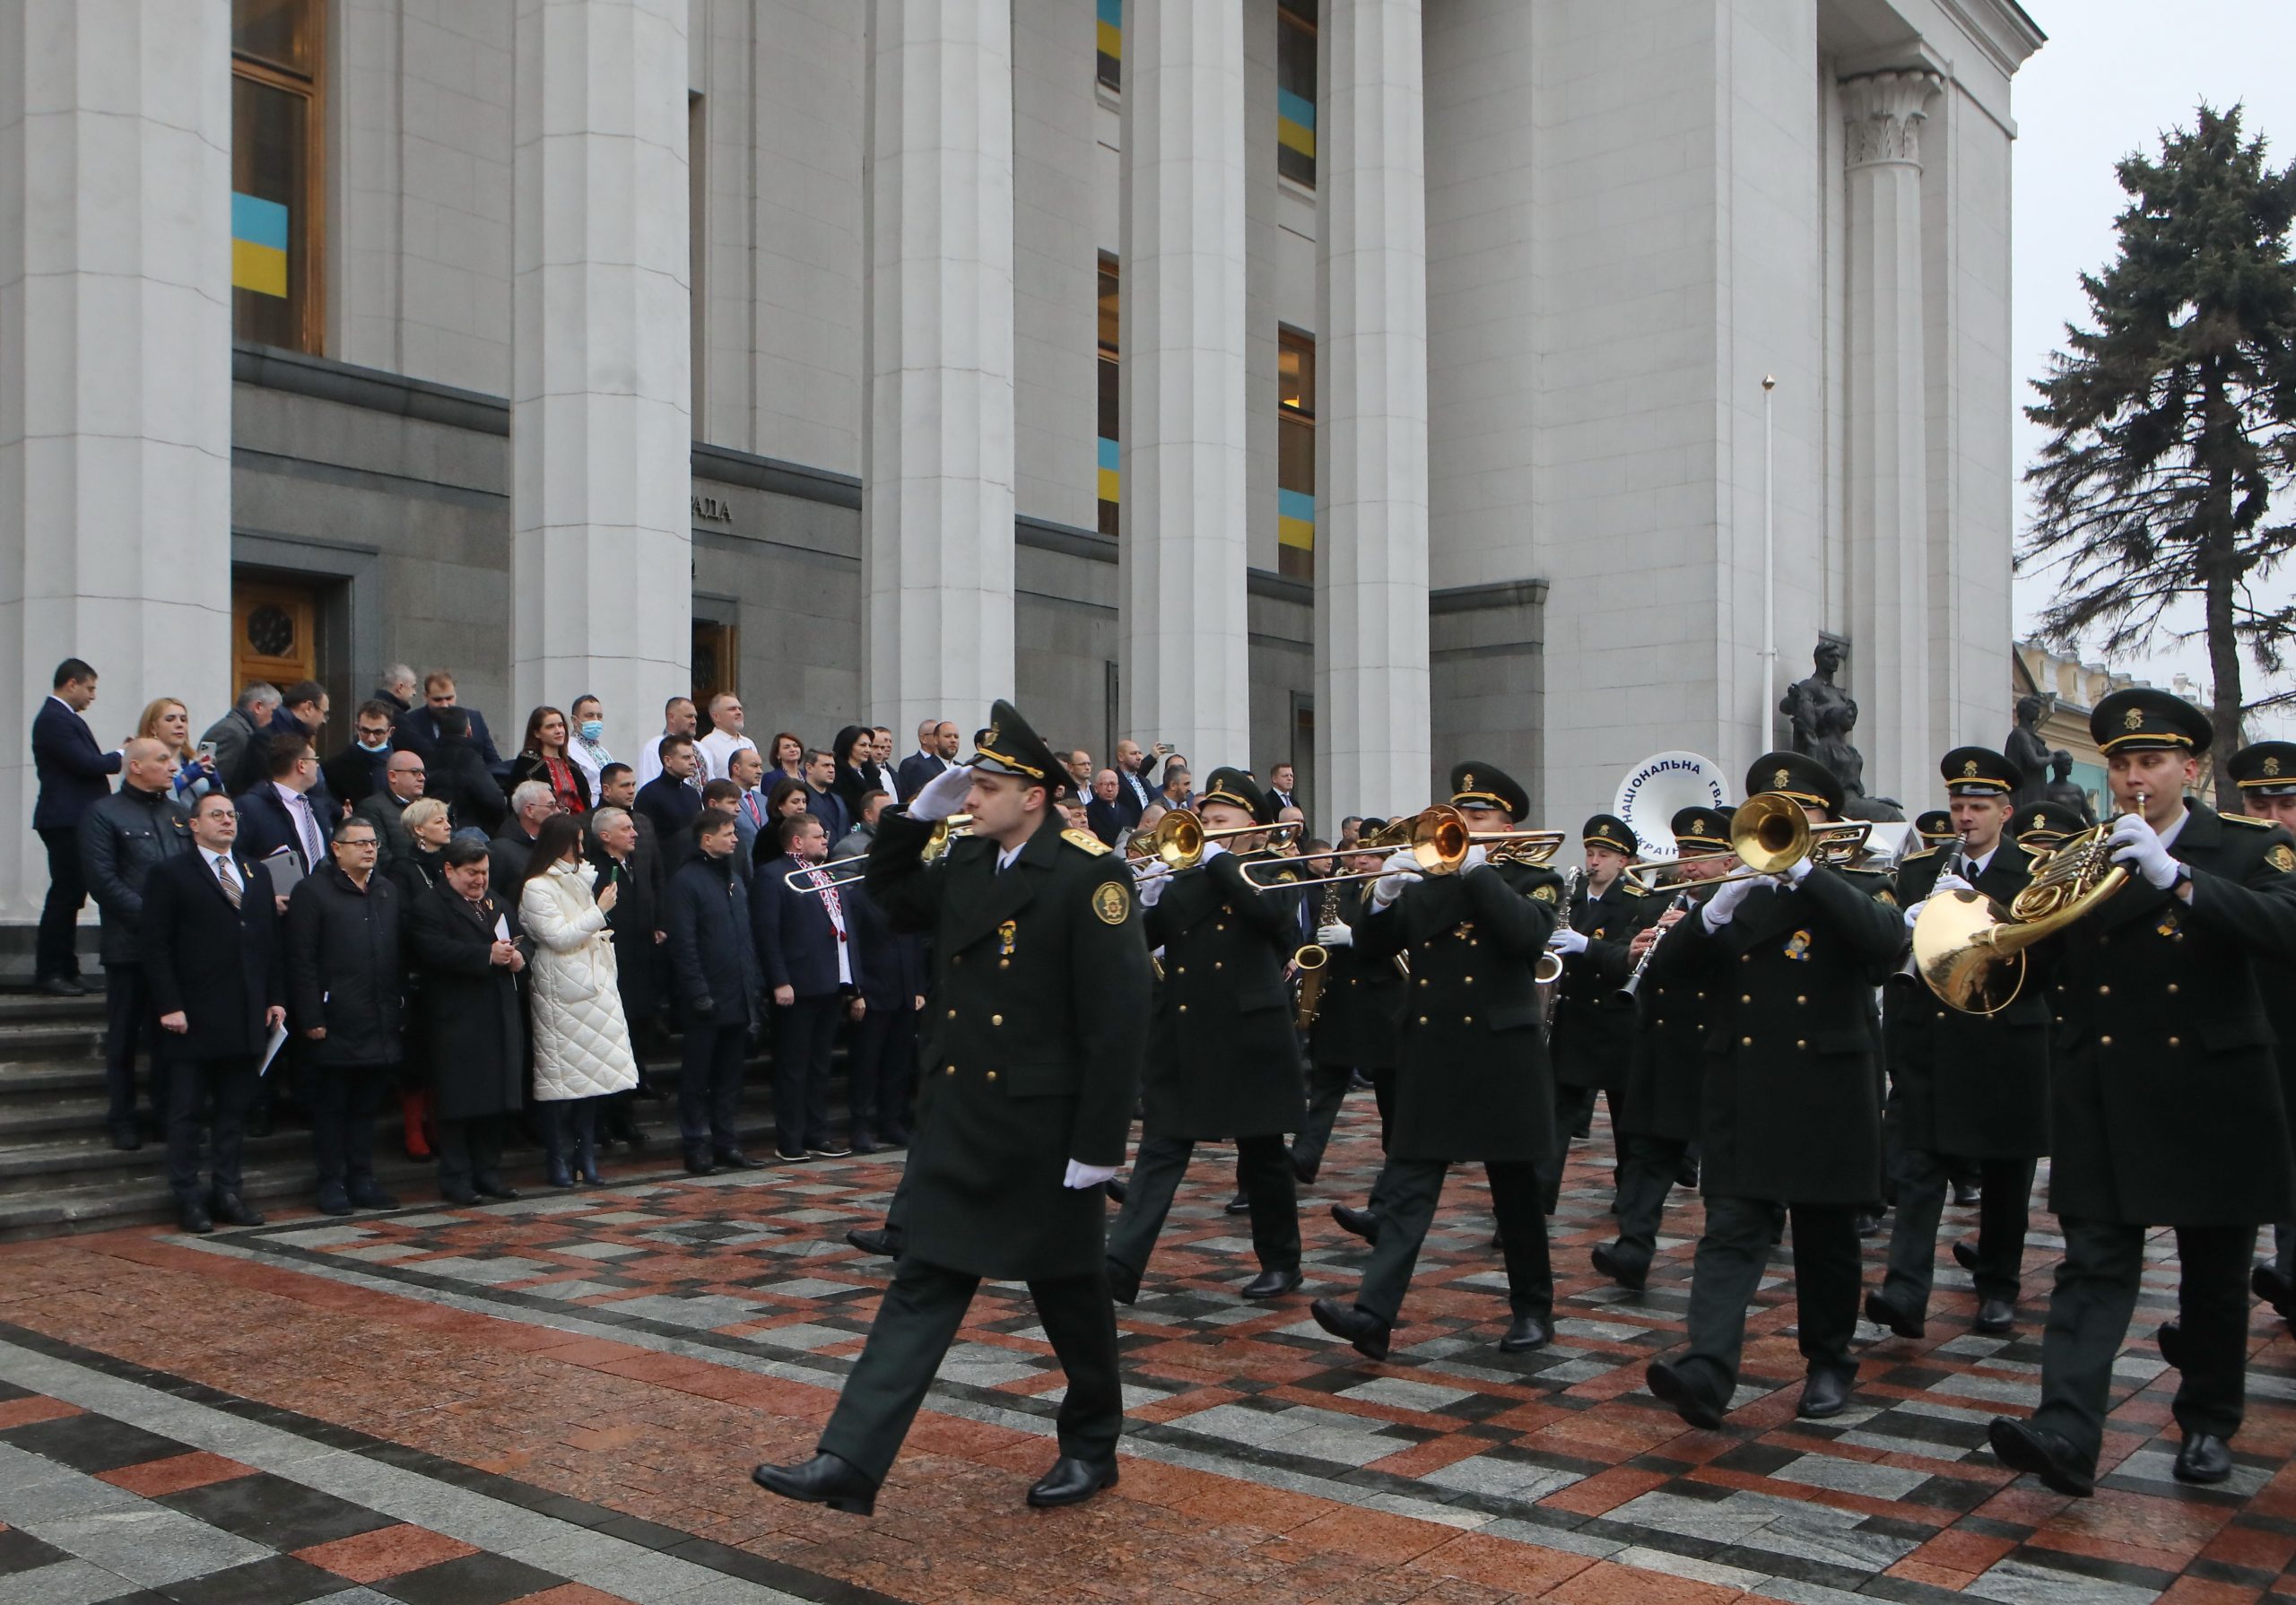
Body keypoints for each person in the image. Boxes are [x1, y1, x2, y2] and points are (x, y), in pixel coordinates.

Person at [752, 699, 1150, 1516]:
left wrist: (1101, 1143)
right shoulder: (969, 859)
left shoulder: (1088, 874)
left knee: (1071, 1297)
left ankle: (1090, 1446)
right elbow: (894, 904)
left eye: (986, 784)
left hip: (1045, 1127)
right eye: (968, 784)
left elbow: (1118, 1018)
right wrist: (907, 818)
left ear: (1033, 794)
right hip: (963, 1114)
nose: (970, 796)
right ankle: (849, 1461)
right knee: (922, 1284)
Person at [1987, 689, 2296, 1497]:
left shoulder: (2249, 848)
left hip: (2211, 1085)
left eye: (2150, 762)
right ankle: (2065, 1429)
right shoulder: (2084, 854)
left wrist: (2180, 879)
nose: (2133, 778)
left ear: (2189, 769)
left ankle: (2206, 1422)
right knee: (2090, 1264)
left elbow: (2286, 931)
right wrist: (1978, 940)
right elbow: (2041, 970)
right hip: (2103, 1086)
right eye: (2121, 764)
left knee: (2215, 1274)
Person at [1642, 751, 1902, 1430]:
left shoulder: (1863, 883)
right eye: (1771, 810)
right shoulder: (1732, 895)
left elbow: (1882, 947)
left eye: (1805, 811)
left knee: (1826, 1239)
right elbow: (1664, 975)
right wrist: (1711, 914)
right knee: (1730, 1230)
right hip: (1743, 1086)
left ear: (1828, 820)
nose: (1787, 822)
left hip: (1827, 1090)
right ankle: (1707, 1367)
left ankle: (1828, 1362)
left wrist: (1808, 874)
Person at [1309, 764, 1565, 1362]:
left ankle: (1533, 1309)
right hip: (1433, 1050)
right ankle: (1373, 1314)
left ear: (1508, 824)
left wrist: (1475, 869)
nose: (1464, 826)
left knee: (1516, 1194)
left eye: (1478, 818)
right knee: (1407, 1191)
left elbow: (1526, 937)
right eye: (1460, 816)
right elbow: (1374, 948)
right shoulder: (1427, 884)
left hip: (1502, 1055)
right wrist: (1387, 893)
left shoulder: (1536, 877)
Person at [1867, 748, 2048, 1340]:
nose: (1964, 818)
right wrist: (1909, 925)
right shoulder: (1921, 870)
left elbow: (2046, 959)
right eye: (1957, 805)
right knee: (1918, 1172)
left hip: (2002, 1047)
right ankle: (1905, 1291)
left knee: (2004, 1179)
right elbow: (1884, 949)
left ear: (2005, 811)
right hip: (1932, 1047)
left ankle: (1997, 1286)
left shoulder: (2031, 873)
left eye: (1977, 807)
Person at [1106, 768, 1307, 1304]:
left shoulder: (1276, 868)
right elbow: (1139, 943)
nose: (1208, 828)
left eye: (1221, 821)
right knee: (1161, 1148)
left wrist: (1218, 861)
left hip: (1249, 1032)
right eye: (1205, 820)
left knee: (1262, 1154)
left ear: (1254, 829)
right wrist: (1143, 899)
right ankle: (1120, 1264)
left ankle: (1282, 1262)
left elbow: (1276, 921)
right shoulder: (1184, 878)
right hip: (1186, 1029)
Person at [1592, 805, 1736, 1290]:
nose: (1687, 863)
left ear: (1730, 862)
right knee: (1647, 1153)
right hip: (1662, 1043)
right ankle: (1633, 1248)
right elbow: (1615, 958)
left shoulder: (1743, 902)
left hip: (1720, 1046)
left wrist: (1689, 934)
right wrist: (1633, 950)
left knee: (1728, 1158)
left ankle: (1741, 1242)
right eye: (1683, 852)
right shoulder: (1656, 902)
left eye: (1701, 854)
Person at [140, 792, 284, 1234]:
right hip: (192, 1013)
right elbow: (156, 944)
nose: (226, 821)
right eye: (215, 815)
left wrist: (275, 996)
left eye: (230, 815)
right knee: (186, 1113)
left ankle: (228, 1190)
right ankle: (187, 1197)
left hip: (244, 1013)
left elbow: (267, 942)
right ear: (193, 824)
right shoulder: (171, 873)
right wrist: (169, 1005)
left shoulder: (254, 872)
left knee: (232, 1111)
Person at [283, 815, 405, 1216]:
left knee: (367, 1108)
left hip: (378, 1019)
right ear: (337, 849)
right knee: (333, 1108)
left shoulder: (386, 891)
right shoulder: (313, 892)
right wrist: (311, 1016)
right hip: (335, 1020)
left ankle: (363, 1178)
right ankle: (331, 1182)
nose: (370, 849)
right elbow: (300, 960)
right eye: (360, 843)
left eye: (373, 843)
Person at [80, 737, 191, 1148]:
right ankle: (123, 1117)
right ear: (136, 767)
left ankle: (166, 1114)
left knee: (170, 1040)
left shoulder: (179, 815)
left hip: (175, 949)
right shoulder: (103, 814)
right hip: (129, 946)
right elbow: (103, 881)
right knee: (125, 1036)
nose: (173, 767)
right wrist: (154, 921)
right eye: (163, 760)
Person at [404, 836, 527, 1204]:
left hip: (498, 1015)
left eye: (484, 872)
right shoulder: (429, 906)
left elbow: (522, 939)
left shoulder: (496, 902)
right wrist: (485, 956)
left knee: (495, 1102)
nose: (479, 880)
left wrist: (522, 959)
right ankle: (456, 1177)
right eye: (471, 873)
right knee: (459, 1104)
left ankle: (488, 1172)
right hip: (456, 1020)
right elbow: (433, 950)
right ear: (449, 870)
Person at [520, 813, 641, 1187]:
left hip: (592, 982)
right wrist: (599, 910)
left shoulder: (577, 878)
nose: (582, 850)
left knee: (593, 1079)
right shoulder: (538, 886)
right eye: (577, 843)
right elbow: (558, 936)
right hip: (562, 987)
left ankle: (585, 1156)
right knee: (562, 1083)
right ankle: (558, 1159)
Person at [1543, 813, 1651, 1206]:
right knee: (1555, 1117)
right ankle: (1537, 1203)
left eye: (1603, 855)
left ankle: (1631, 1200)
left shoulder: (1639, 903)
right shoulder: (1568, 899)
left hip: (1617, 1023)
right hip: (1573, 1020)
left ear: (1623, 862)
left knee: (1627, 1123)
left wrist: (1585, 946)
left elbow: (1629, 956)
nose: (1593, 862)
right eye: (1590, 853)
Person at [1292, 837, 1405, 1187]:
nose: (1362, 862)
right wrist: (1317, 942)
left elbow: (1402, 940)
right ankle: (1305, 1156)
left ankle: (1398, 1162)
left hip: (1385, 1001)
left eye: (1371, 856)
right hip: (1341, 999)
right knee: (1327, 1084)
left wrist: (1354, 936)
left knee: (1392, 1092)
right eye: (1359, 855)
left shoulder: (1403, 890)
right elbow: (1316, 934)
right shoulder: (1340, 888)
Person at [753, 813, 865, 1159]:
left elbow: (845, 931)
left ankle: (819, 1134)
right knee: (793, 1066)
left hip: (831, 981)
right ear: (797, 841)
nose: (825, 841)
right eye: (817, 836)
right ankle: (790, 1139)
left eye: (825, 834)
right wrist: (780, 980)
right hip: (797, 985)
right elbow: (768, 933)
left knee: (819, 1065)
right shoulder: (774, 876)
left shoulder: (828, 875)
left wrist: (854, 983)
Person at [664, 811, 759, 1172]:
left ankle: (726, 1142)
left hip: (737, 993)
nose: (735, 838)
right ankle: (695, 1145)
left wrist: (753, 984)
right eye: (728, 833)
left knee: (729, 1077)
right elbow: (684, 944)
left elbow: (744, 938)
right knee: (697, 1077)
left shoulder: (733, 878)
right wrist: (698, 992)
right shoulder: (686, 882)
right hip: (706, 998)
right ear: (707, 839)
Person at [30, 657, 122, 994]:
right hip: (65, 820)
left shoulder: (63, 718)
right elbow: (85, 764)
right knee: (65, 896)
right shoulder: (54, 719)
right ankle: (51, 971)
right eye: (90, 688)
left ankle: (67, 968)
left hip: (72, 819)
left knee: (71, 896)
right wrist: (122, 756)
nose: (92, 696)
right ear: (72, 683)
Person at [587, 802, 662, 1152]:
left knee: (634, 1044)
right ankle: (603, 1120)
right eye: (626, 829)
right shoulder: (594, 871)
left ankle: (625, 1115)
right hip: (611, 970)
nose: (635, 834)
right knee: (608, 1047)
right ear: (605, 836)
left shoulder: (632, 865)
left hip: (640, 965)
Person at [384, 796, 453, 1160]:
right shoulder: (404, 869)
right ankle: (414, 1128)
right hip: (419, 973)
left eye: (446, 819)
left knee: (443, 1055)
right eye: (437, 820)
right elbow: (405, 920)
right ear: (417, 830)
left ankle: (438, 1123)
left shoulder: (451, 863)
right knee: (418, 1056)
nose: (446, 824)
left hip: (451, 970)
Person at [844, 855, 926, 1152]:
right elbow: (852, 945)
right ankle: (860, 1126)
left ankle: (892, 1122)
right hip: (872, 994)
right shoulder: (856, 898)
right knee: (866, 1065)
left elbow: (914, 942)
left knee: (898, 1065)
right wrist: (856, 991)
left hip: (904, 993)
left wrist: (917, 987)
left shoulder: (902, 898)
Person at [235, 736, 331, 880]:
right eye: (314, 759)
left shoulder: (315, 806)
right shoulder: (250, 807)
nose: (317, 765)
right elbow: (238, 858)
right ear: (302, 765)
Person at [256, 681, 337, 826]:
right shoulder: (268, 738)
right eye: (324, 714)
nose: (324, 721)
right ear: (308, 707)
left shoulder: (298, 735)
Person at [422, 706, 509, 837]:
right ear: (469, 730)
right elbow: (494, 799)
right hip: (466, 832)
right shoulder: (469, 758)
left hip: (432, 830)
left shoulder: (428, 757)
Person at [393, 671, 502, 770]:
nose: (444, 705)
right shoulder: (410, 722)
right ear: (426, 696)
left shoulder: (475, 719)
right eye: (437, 700)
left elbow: (493, 761)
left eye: (449, 698)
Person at [199, 682, 282, 796]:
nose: (276, 719)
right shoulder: (229, 732)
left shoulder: (241, 731)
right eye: (274, 711)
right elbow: (213, 786)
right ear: (258, 707)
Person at [507, 706, 592, 815]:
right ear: (537, 733)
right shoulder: (528, 762)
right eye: (550, 727)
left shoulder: (572, 765)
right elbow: (517, 806)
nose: (558, 731)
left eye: (560, 725)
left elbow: (585, 803)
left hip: (578, 826)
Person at [637, 734, 705, 869]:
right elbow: (645, 844)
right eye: (686, 757)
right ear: (668, 761)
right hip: (665, 870)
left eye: (693, 757)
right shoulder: (648, 794)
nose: (693, 762)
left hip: (694, 867)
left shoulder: (692, 794)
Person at [322, 700, 401, 811]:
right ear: (356, 727)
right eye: (365, 731)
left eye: (378, 732)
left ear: (390, 732)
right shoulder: (334, 768)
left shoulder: (403, 767)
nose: (371, 739)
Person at [135, 697, 216, 802]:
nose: (179, 724)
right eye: (170, 719)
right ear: (153, 728)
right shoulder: (141, 762)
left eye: (183, 720)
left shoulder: (194, 760)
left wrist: (216, 784)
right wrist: (185, 778)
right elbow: (148, 801)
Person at [356, 750, 429, 866]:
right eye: (415, 772)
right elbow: (379, 854)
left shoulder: (429, 807)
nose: (422, 778)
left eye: (423, 773)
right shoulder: (372, 808)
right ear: (393, 776)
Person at [490, 780, 556, 903]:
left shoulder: (552, 843)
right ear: (530, 811)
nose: (557, 811)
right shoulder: (500, 851)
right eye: (551, 806)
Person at [633, 697, 700, 789]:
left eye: (695, 717)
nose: (694, 721)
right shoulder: (653, 748)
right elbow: (649, 786)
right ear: (671, 717)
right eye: (688, 716)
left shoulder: (701, 748)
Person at [695, 692, 758, 783]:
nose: (739, 713)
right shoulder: (707, 744)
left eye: (739, 709)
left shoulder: (748, 743)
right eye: (732, 709)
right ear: (716, 716)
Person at [798, 746, 853, 846]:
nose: (831, 770)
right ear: (809, 768)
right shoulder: (801, 798)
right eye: (826, 765)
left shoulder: (838, 799)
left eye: (833, 766)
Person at [895, 719, 960, 801]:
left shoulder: (961, 768)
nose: (953, 740)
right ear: (936, 740)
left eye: (956, 737)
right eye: (947, 736)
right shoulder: (921, 767)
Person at [566, 693, 613, 802]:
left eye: (599, 716)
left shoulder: (602, 750)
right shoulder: (568, 749)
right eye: (589, 715)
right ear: (574, 720)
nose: (596, 720)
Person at [727, 745, 771, 860]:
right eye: (754, 766)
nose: (760, 771)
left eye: (760, 766)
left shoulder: (764, 800)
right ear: (736, 769)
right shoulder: (724, 800)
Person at [831, 724, 880, 824]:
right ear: (848, 746)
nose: (867, 750)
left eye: (869, 746)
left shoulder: (873, 773)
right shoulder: (836, 773)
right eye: (862, 745)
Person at [1085, 769, 1125, 847]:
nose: (1109, 789)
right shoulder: (1088, 811)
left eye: (1113, 784)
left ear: (1118, 788)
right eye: (1105, 784)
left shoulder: (1127, 812)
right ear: (1096, 788)